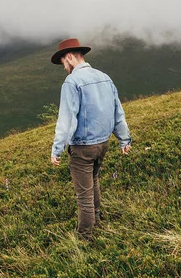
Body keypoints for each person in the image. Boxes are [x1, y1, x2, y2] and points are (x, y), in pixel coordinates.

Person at [50, 38, 132, 239]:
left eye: (63, 63)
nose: (64, 68)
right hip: (103, 143)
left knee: (83, 195)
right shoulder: (104, 77)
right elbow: (117, 112)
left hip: (83, 148)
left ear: (69, 57)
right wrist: (124, 139)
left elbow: (67, 119)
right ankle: (96, 217)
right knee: (93, 179)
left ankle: (85, 236)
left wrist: (57, 149)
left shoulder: (72, 82)